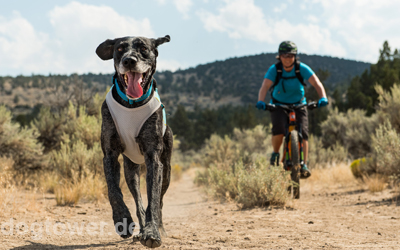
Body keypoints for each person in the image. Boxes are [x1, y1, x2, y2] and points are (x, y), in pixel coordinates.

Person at [256, 41, 328, 178]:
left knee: (304, 133)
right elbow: (264, 87)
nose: (287, 58)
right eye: (284, 55)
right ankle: (276, 153)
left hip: (299, 104)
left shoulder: (301, 68)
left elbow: (317, 83)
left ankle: (304, 164)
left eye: (291, 55)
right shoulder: (275, 69)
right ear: (279, 56)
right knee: (278, 130)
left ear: (295, 56)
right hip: (278, 104)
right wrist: (261, 101)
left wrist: (322, 97)